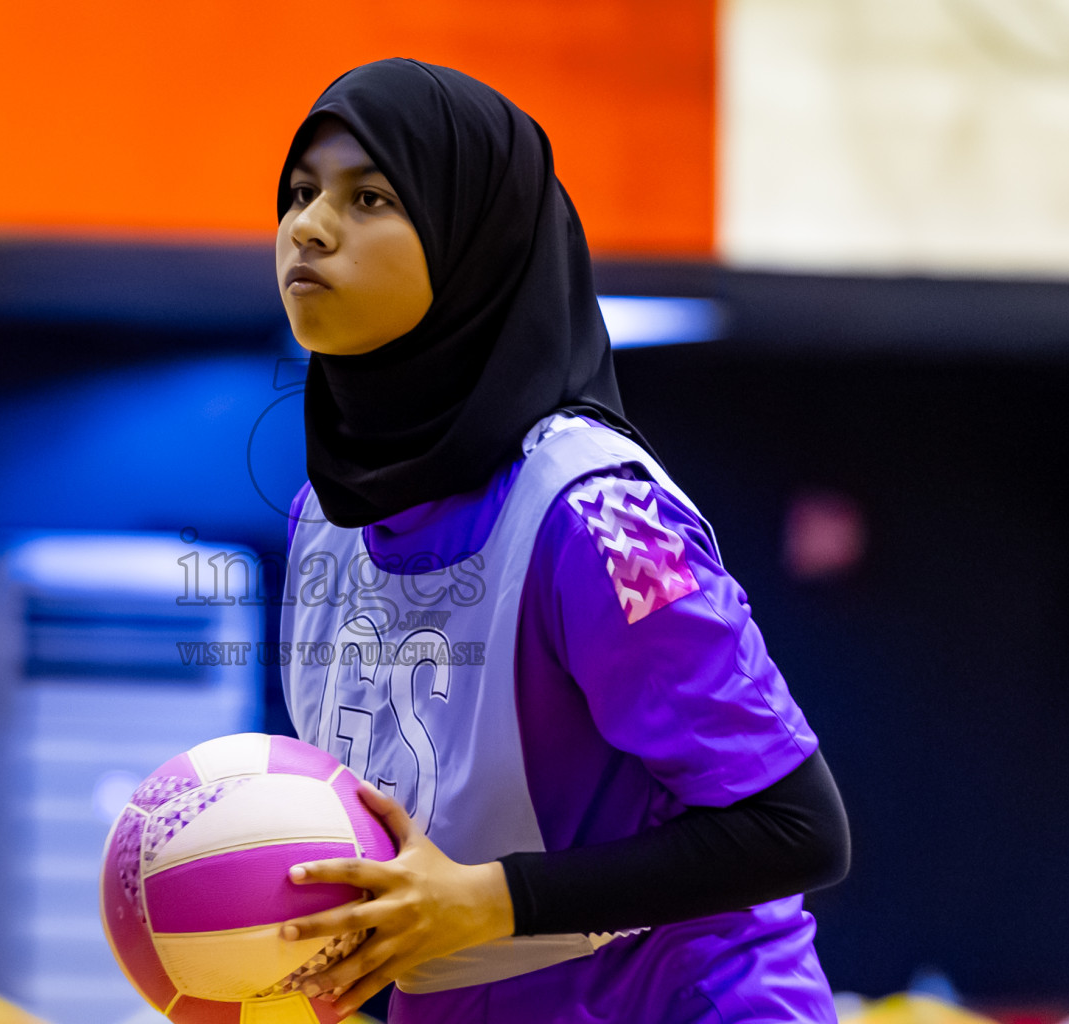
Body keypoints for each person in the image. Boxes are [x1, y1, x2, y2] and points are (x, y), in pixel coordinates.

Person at [272, 59, 851, 1024]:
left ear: (474, 243)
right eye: (299, 193)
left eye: (369, 197)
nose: (309, 226)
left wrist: (489, 902)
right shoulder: (319, 521)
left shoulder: (606, 517)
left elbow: (796, 828)